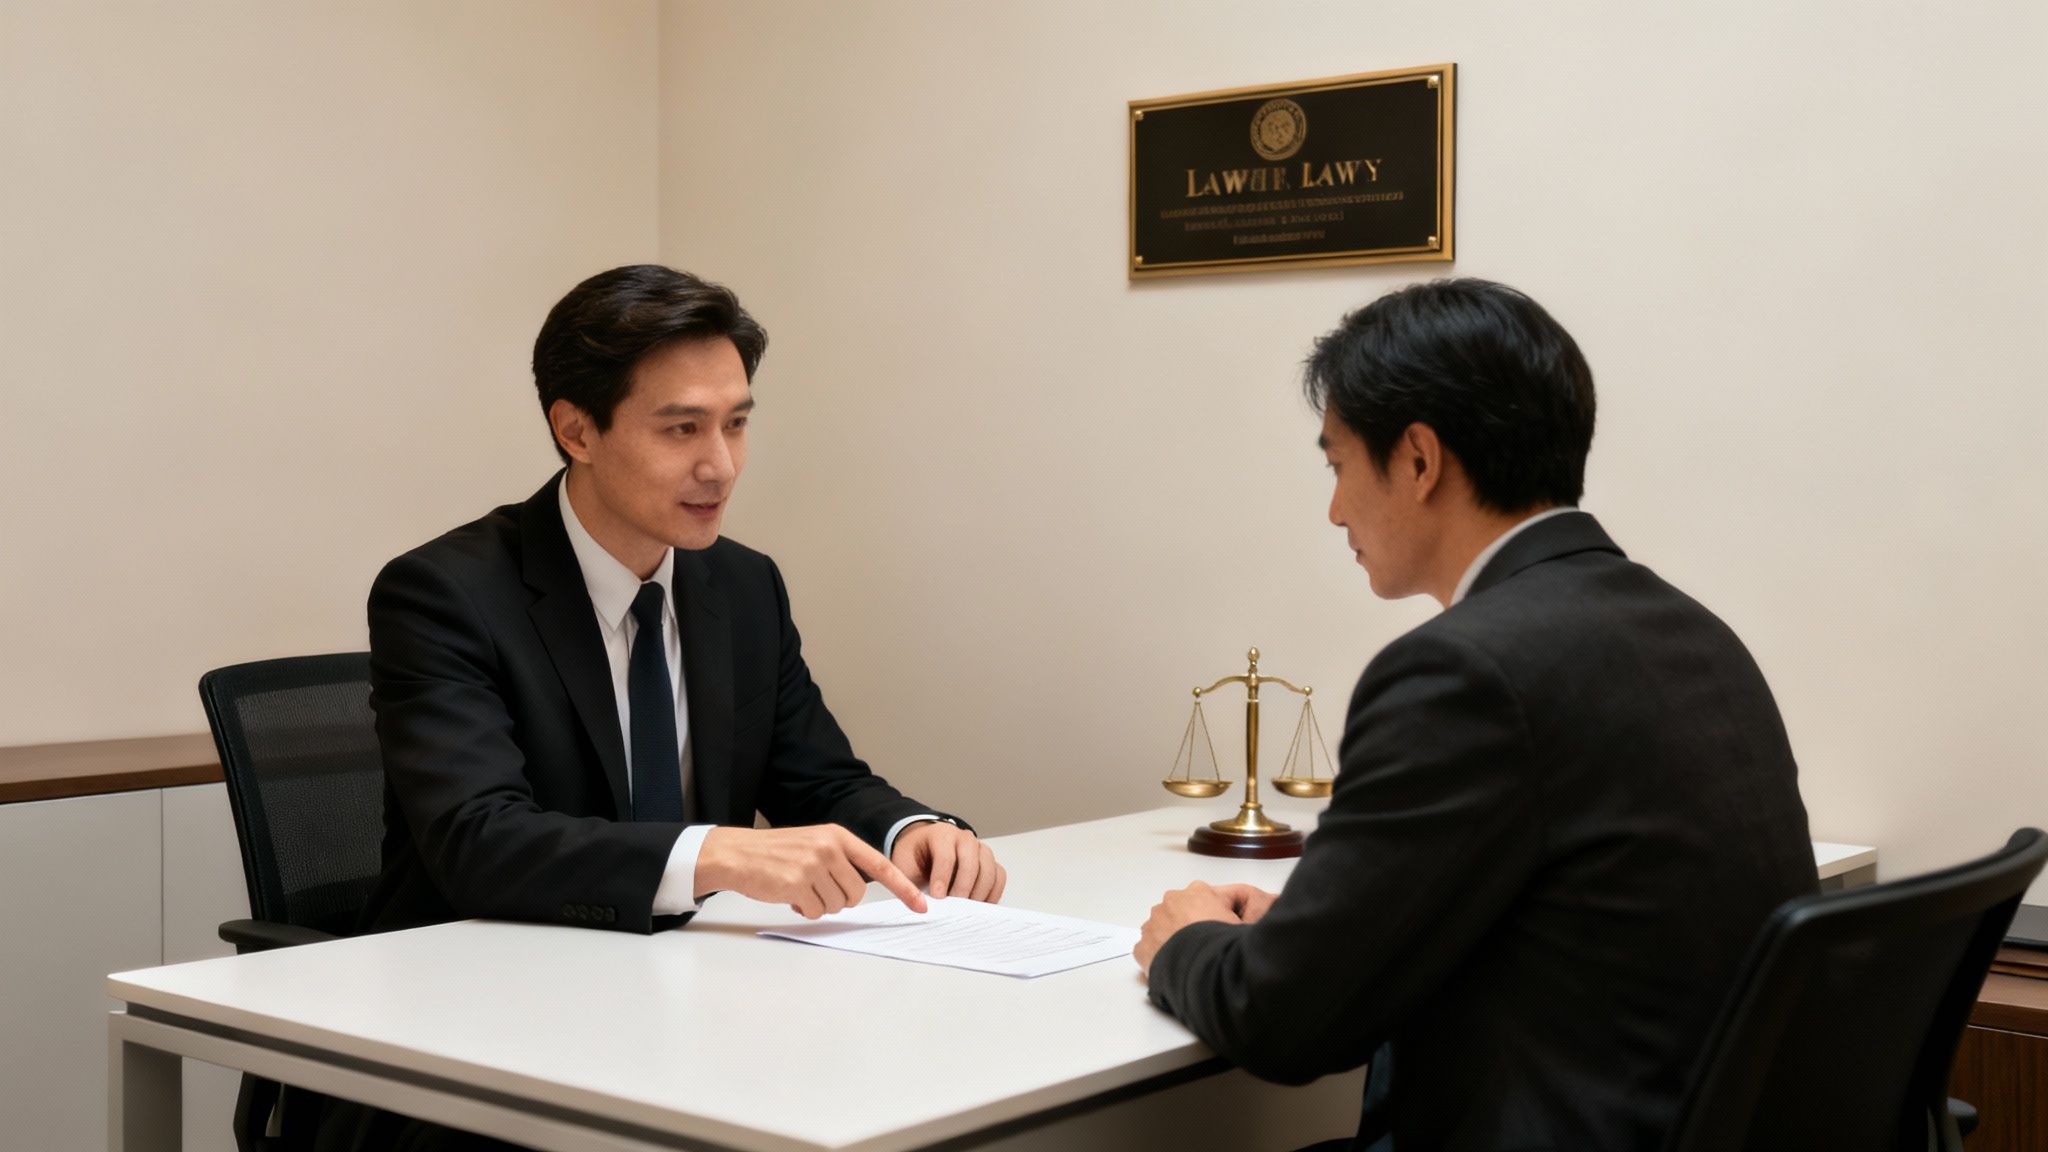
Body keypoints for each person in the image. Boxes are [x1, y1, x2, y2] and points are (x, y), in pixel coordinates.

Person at [320, 265, 1004, 1152]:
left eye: (737, 424)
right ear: (577, 429)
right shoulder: (446, 594)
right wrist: (720, 853)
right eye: (681, 428)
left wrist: (908, 828)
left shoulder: (743, 585)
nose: (719, 465)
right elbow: (479, 842)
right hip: (480, 1039)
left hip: (689, 1017)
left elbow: (819, 778)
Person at [1134, 279, 1815, 1152]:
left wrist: (1186, 944)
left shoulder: (1460, 670)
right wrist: (1326, 931)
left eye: (1338, 465)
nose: (1335, 508)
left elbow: (1281, 1022)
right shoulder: (1693, 631)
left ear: (1418, 460)